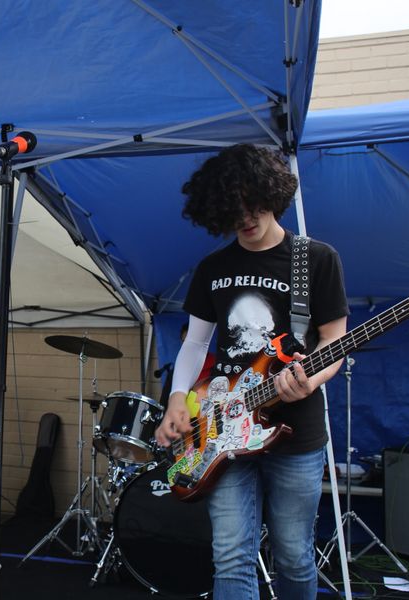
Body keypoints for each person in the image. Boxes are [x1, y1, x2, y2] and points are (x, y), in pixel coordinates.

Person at [154, 144, 349, 600]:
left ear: (272, 194)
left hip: (295, 433)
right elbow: (196, 342)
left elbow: (334, 339)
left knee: (294, 555)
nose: (245, 218)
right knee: (231, 554)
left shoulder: (316, 259)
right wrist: (177, 397)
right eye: (233, 211)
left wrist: (312, 379)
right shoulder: (213, 268)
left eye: (254, 204)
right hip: (222, 429)